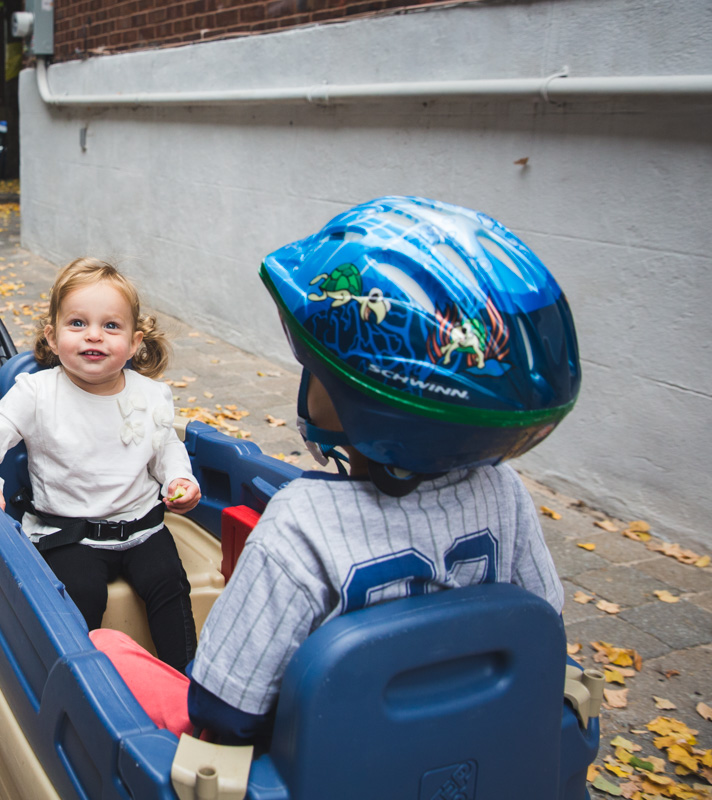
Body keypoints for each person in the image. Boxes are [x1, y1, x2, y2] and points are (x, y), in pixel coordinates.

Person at [92, 196, 581, 745]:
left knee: (106, 648)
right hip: (455, 739)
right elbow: (545, 622)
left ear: (364, 399)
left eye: (317, 368)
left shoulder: (305, 522)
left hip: (316, 757)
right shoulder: (505, 494)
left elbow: (223, 707)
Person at [0, 258, 202, 671]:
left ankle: (188, 680)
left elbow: (165, 447)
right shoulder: (37, 392)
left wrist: (180, 477)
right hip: (68, 532)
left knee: (170, 583)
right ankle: (82, 682)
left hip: (143, 524)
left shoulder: (150, 394)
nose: (94, 336)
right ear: (52, 337)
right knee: (79, 591)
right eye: (77, 324)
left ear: (135, 340)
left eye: (110, 326)